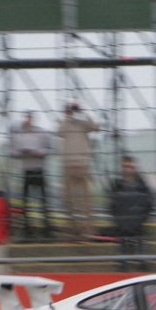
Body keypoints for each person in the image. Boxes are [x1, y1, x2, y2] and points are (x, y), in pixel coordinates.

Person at [57, 101, 99, 238]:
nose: (71, 111)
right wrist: (68, 116)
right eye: (69, 109)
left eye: (72, 109)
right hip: (68, 164)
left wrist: (81, 112)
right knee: (68, 198)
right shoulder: (66, 123)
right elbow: (59, 132)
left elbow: (95, 127)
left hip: (82, 163)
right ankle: (72, 228)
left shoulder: (83, 124)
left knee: (85, 199)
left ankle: (88, 229)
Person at [11, 111, 54, 241]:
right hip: (27, 170)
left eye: (30, 117)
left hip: (39, 169)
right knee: (26, 203)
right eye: (26, 117)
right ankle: (27, 230)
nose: (28, 119)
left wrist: (40, 152)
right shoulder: (18, 134)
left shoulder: (41, 132)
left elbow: (52, 149)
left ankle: (47, 230)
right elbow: (11, 151)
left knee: (44, 202)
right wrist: (20, 152)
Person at [108, 156, 154, 272]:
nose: (128, 169)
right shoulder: (118, 185)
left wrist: (141, 219)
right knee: (123, 253)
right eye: (125, 167)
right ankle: (123, 268)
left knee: (141, 251)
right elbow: (113, 205)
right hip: (123, 224)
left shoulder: (142, 186)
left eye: (130, 167)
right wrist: (119, 221)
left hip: (138, 223)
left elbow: (149, 204)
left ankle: (142, 268)